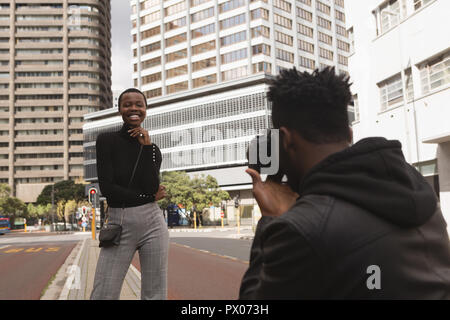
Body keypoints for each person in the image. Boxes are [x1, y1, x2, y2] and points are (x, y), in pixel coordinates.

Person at [239, 67, 450, 299]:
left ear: (287, 139)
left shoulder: (300, 229)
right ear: (349, 133)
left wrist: (270, 219)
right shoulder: (415, 187)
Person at [90, 88, 169, 300]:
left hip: (153, 222)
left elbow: (151, 185)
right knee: (104, 292)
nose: (133, 108)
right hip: (120, 220)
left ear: (145, 109)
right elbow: (109, 189)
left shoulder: (152, 149)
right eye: (127, 104)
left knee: (155, 293)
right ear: (120, 110)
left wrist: (146, 147)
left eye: (139, 104)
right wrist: (150, 197)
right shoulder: (106, 140)